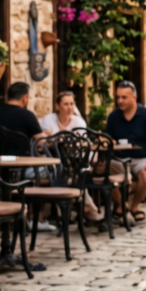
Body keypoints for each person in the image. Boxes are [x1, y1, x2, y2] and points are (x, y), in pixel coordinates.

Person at [39, 92, 103, 222]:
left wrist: (58, 140)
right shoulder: (49, 119)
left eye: (72, 104)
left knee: (74, 173)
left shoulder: (78, 121)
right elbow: (44, 142)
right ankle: (87, 208)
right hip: (54, 162)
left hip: (74, 161)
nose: (69, 107)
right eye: (66, 104)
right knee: (72, 177)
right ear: (57, 106)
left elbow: (81, 144)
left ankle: (69, 211)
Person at [105, 81, 146, 224]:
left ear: (134, 98)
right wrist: (109, 142)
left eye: (124, 97)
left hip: (142, 158)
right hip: (119, 158)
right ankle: (121, 204)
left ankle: (134, 205)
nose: (120, 101)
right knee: (102, 169)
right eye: (118, 97)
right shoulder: (113, 117)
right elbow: (108, 140)